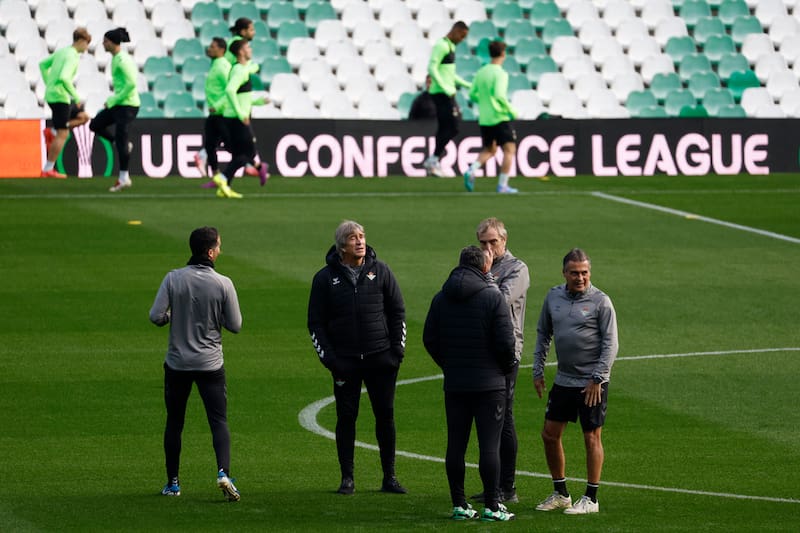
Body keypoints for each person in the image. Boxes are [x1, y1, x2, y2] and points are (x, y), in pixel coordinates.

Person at [307, 220, 407, 496]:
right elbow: (315, 323)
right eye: (353, 238)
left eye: (362, 236)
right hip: (345, 362)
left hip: (380, 359)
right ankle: (347, 478)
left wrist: (396, 351)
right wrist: (331, 360)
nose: (360, 241)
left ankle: (390, 477)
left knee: (385, 416)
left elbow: (397, 311)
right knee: (346, 417)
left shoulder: (381, 271)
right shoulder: (324, 279)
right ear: (342, 247)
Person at [423, 245, 517, 522]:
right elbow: (506, 343)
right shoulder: (493, 297)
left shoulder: (441, 297)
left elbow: (430, 339)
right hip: (490, 385)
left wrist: (449, 365)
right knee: (489, 446)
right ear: (485, 267)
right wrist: (503, 369)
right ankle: (492, 506)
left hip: (456, 383)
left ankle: (459, 504)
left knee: (456, 444)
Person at [149, 226, 243, 502]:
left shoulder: (173, 278)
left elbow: (156, 316)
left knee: (175, 422)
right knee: (218, 421)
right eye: (219, 246)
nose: (220, 250)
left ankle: (173, 483)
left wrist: (173, 316)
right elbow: (235, 325)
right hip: (210, 364)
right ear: (211, 252)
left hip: (177, 363)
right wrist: (216, 316)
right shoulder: (223, 283)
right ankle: (224, 473)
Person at [532, 248, 619, 515]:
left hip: (592, 382)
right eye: (574, 273)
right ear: (564, 273)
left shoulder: (601, 301)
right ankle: (561, 493)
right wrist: (537, 369)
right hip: (564, 379)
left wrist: (597, 378)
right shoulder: (553, 297)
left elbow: (611, 344)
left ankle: (591, 498)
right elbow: (543, 333)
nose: (580, 277)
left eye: (584, 272)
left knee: (591, 436)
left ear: (589, 272)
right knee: (549, 434)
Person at [470, 218, 529, 506]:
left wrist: (483, 277)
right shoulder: (477, 267)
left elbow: (500, 302)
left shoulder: (517, 269)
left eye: (493, 241)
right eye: (483, 242)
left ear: (504, 240)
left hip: (506, 351)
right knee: (485, 418)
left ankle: (508, 486)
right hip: (481, 350)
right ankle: (492, 486)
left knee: (504, 416)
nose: (488, 247)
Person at [211, 39, 269, 198]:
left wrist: (258, 102)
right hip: (237, 119)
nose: (250, 49)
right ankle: (223, 178)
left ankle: (225, 188)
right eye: (248, 47)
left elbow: (241, 95)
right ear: (241, 52)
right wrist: (241, 113)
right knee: (249, 153)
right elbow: (230, 91)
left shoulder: (240, 69)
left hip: (232, 117)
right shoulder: (239, 71)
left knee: (239, 155)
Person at [463, 40, 519, 194]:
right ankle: (502, 185)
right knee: (509, 149)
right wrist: (511, 110)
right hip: (499, 117)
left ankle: (471, 170)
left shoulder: (481, 71)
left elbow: (472, 94)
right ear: (503, 54)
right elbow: (500, 95)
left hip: (485, 118)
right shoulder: (500, 73)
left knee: (490, 149)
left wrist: (485, 101)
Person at [89, 27, 140, 192]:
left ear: (112, 42)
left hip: (128, 105)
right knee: (95, 125)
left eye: (105, 41)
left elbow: (131, 84)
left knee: (122, 139)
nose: (103, 44)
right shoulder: (117, 58)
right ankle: (117, 142)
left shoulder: (123, 60)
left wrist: (113, 100)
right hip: (119, 104)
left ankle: (124, 178)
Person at [39, 28, 92, 178]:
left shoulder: (63, 52)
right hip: (60, 97)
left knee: (84, 117)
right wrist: (76, 97)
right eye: (87, 43)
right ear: (81, 41)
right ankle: (48, 169)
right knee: (63, 133)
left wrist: (49, 84)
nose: (87, 48)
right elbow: (64, 77)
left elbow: (42, 64)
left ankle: (53, 132)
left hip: (55, 95)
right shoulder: (72, 56)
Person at [423, 21, 471, 177]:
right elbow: (432, 68)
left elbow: (449, 74)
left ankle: (433, 160)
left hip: (446, 92)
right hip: (441, 93)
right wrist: (445, 87)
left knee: (445, 127)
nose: (462, 40)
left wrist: (467, 84)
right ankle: (433, 160)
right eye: (462, 36)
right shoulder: (441, 45)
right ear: (455, 31)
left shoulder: (451, 47)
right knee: (453, 126)